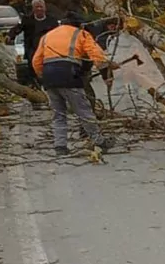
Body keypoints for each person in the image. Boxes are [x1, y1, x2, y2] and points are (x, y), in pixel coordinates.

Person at [32, 12, 120, 156]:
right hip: (69, 75)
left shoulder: (47, 36)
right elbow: (97, 56)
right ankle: (98, 141)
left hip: (49, 76)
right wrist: (106, 76)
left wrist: (43, 77)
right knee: (83, 111)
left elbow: (36, 61)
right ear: (79, 24)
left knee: (59, 114)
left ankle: (60, 146)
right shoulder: (82, 34)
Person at [13, 0, 59, 89]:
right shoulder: (27, 20)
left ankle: (49, 83)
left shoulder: (52, 20)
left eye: (41, 7)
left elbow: (59, 33)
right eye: (36, 7)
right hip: (32, 49)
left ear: (45, 8)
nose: (39, 9)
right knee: (33, 67)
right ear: (33, 9)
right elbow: (18, 29)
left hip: (48, 49)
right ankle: (35, 85)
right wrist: (10, 36)